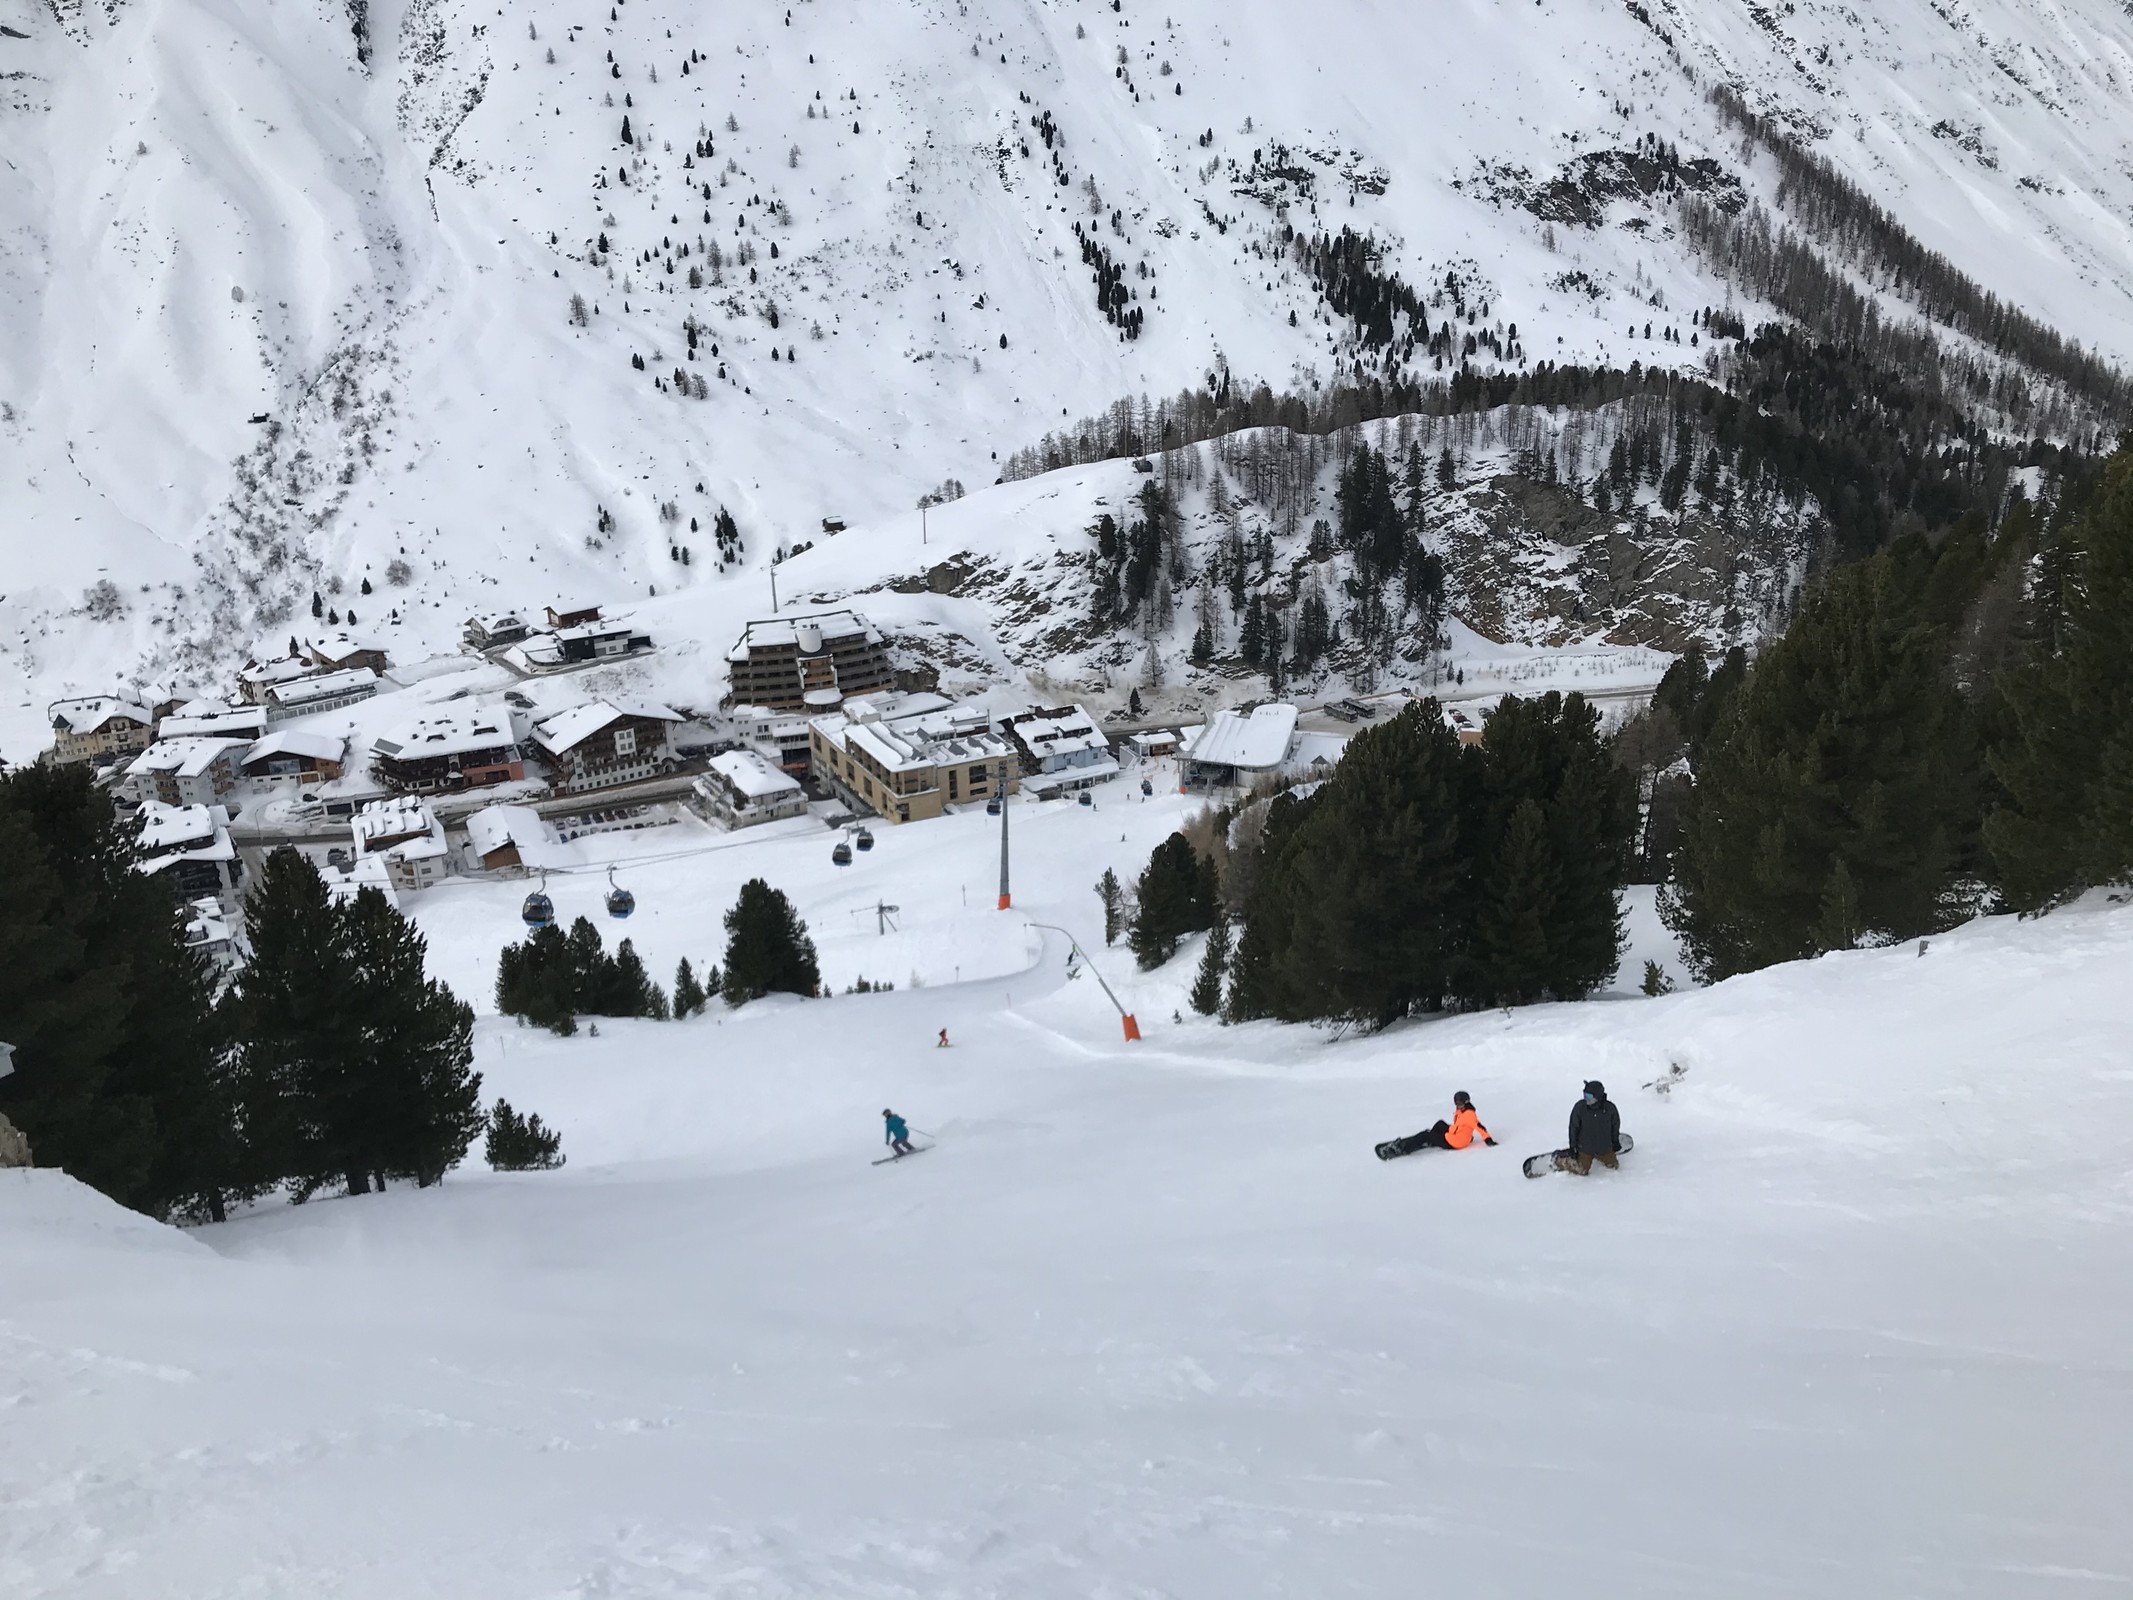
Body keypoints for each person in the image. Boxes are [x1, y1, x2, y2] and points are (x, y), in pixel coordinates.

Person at [1556, 1081, 1621, 1174]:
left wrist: (1615, 1141)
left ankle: (1600, 1156)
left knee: (1614, 1166)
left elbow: (1615, 1126)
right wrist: (1573, 1146)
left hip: (1604, 1147)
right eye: (1584, 1095)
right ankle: (1559, 1160)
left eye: (1589, 1096)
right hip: (1585, 1148)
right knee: (1582, 1170)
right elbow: (1573, 1128)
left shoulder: (1610, 1109)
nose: (1586, 1098)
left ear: (1598, 1096)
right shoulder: (1580, 1108)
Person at [1404, 1091, 1497, 1151]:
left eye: (1460, 1103)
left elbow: (1480, 1128)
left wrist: (1488, 1140)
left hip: (1456, 1142)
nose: (1458, 1105)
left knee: (1425, 1135)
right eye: (1456, 1103)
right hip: (1456, 1134)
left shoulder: (1469, 1115)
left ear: (1466, 1102)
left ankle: (1404, 1148)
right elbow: (1459, 1126)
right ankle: (1431, 1140)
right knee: (1440, 1124)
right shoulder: (1460, 1111)